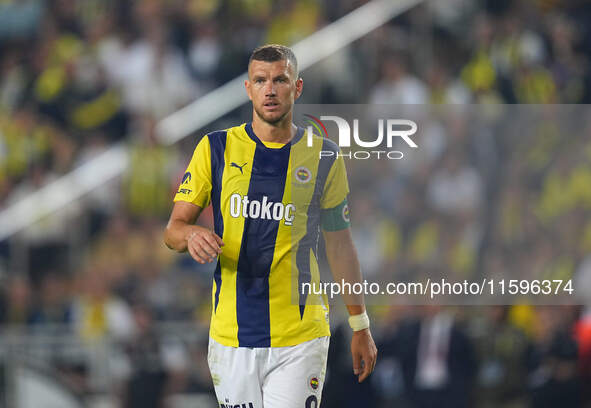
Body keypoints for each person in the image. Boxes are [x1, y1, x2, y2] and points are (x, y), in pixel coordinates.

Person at [164, 44, 377, 407]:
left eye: (280, 79)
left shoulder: (324, 156)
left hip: (301, 334)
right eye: (260, 80)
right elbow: (173, 230)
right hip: (232, 335)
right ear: (248, 89)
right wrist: (191, 235)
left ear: (297, 88)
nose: (270, 89)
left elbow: (340, 244)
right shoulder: (215, 149)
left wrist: (360, 324)